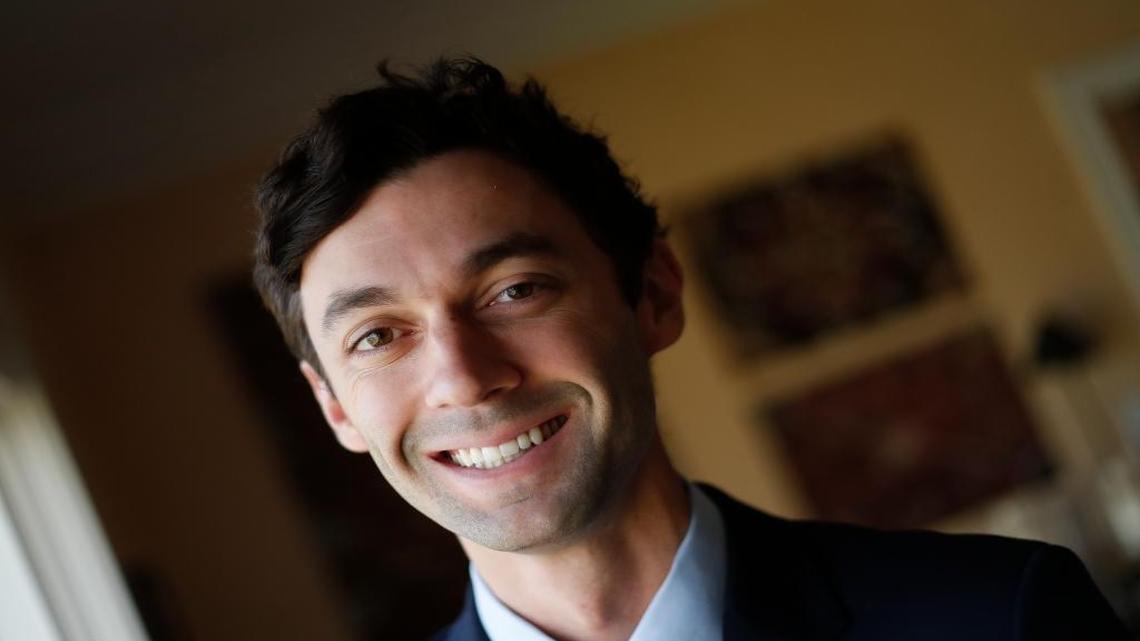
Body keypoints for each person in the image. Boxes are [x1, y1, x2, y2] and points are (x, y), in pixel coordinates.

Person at [252, 57, 1129, 641]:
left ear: (654, 296)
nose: (465, 377)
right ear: (336, 406)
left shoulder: (999, 617)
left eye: (514, 290)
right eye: (379, 336)